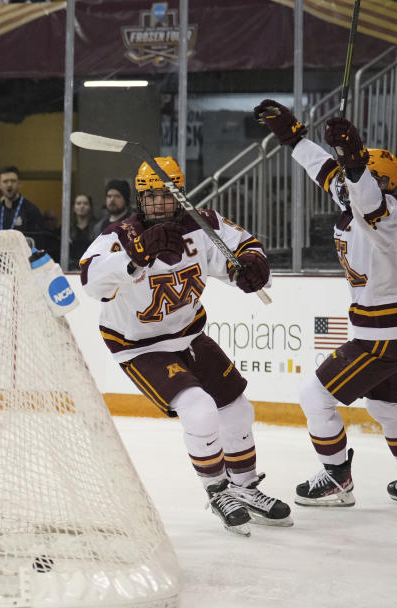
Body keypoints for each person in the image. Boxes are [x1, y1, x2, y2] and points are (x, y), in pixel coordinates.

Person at [78, 155, 290, 536]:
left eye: (169, 194)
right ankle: (218, 491)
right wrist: (137, 254)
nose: (161, 202)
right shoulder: (119, 236)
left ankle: (244, 487)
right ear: (141, 199)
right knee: (199, 408)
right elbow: (90, 279)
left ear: (180, 193)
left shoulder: (203, 225)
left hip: (190, 335)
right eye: (152, 195)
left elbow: (243, 246)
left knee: (238, 408)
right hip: (139, 346)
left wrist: (252, 265)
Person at [255, 99, 397, 505]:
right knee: (386, 405)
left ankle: (336, 480)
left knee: (314, 397)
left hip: (384, 334)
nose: (346, 189)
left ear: (383, 184)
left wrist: (352, 161)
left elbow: (364, 196)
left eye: (360, 178)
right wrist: (292, 138)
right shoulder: (358, 195)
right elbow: (329, 175)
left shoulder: (387, 216)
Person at [0, 165, 43, 235]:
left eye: (13, 181)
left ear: (19, 184)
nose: (9, 184)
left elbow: (37, 241)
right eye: (5, 181)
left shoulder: (31, 211)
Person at [69, 193, 99, 270]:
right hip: (71, 270)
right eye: (78, 203)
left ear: (90, 207)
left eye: (85, 203)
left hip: (92, 268)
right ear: (74, 207)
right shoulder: (67, 229)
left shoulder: (97, 228)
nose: (82, 206)